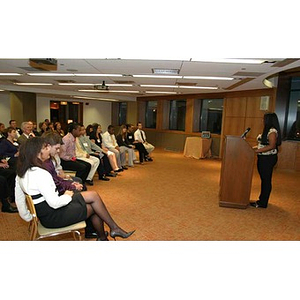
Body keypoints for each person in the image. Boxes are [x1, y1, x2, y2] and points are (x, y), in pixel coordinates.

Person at [15, 137, 135, 241]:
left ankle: (111, 230)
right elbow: (55, 203)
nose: (48, 150)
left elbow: (19, 200)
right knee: (94, 207)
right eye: (45, 148)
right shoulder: (41, 174)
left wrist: (29, 216)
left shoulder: (22, 173)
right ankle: (105, 236)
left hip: (46, 213)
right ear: (37, 153)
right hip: (54, 216)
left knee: (93, 195)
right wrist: (67, 195)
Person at [250, 112, 282, 208]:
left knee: (266, 180)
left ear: (268, 120)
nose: (262, 120)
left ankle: (263, 202)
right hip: (263, 157)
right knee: (264, 179)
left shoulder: (272, 131)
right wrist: (253, 148)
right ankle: (262, 200)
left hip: (268, 158)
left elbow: (272, 146)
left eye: (264, 119)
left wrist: (257, 151)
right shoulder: (267, 130)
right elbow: (263, 144)